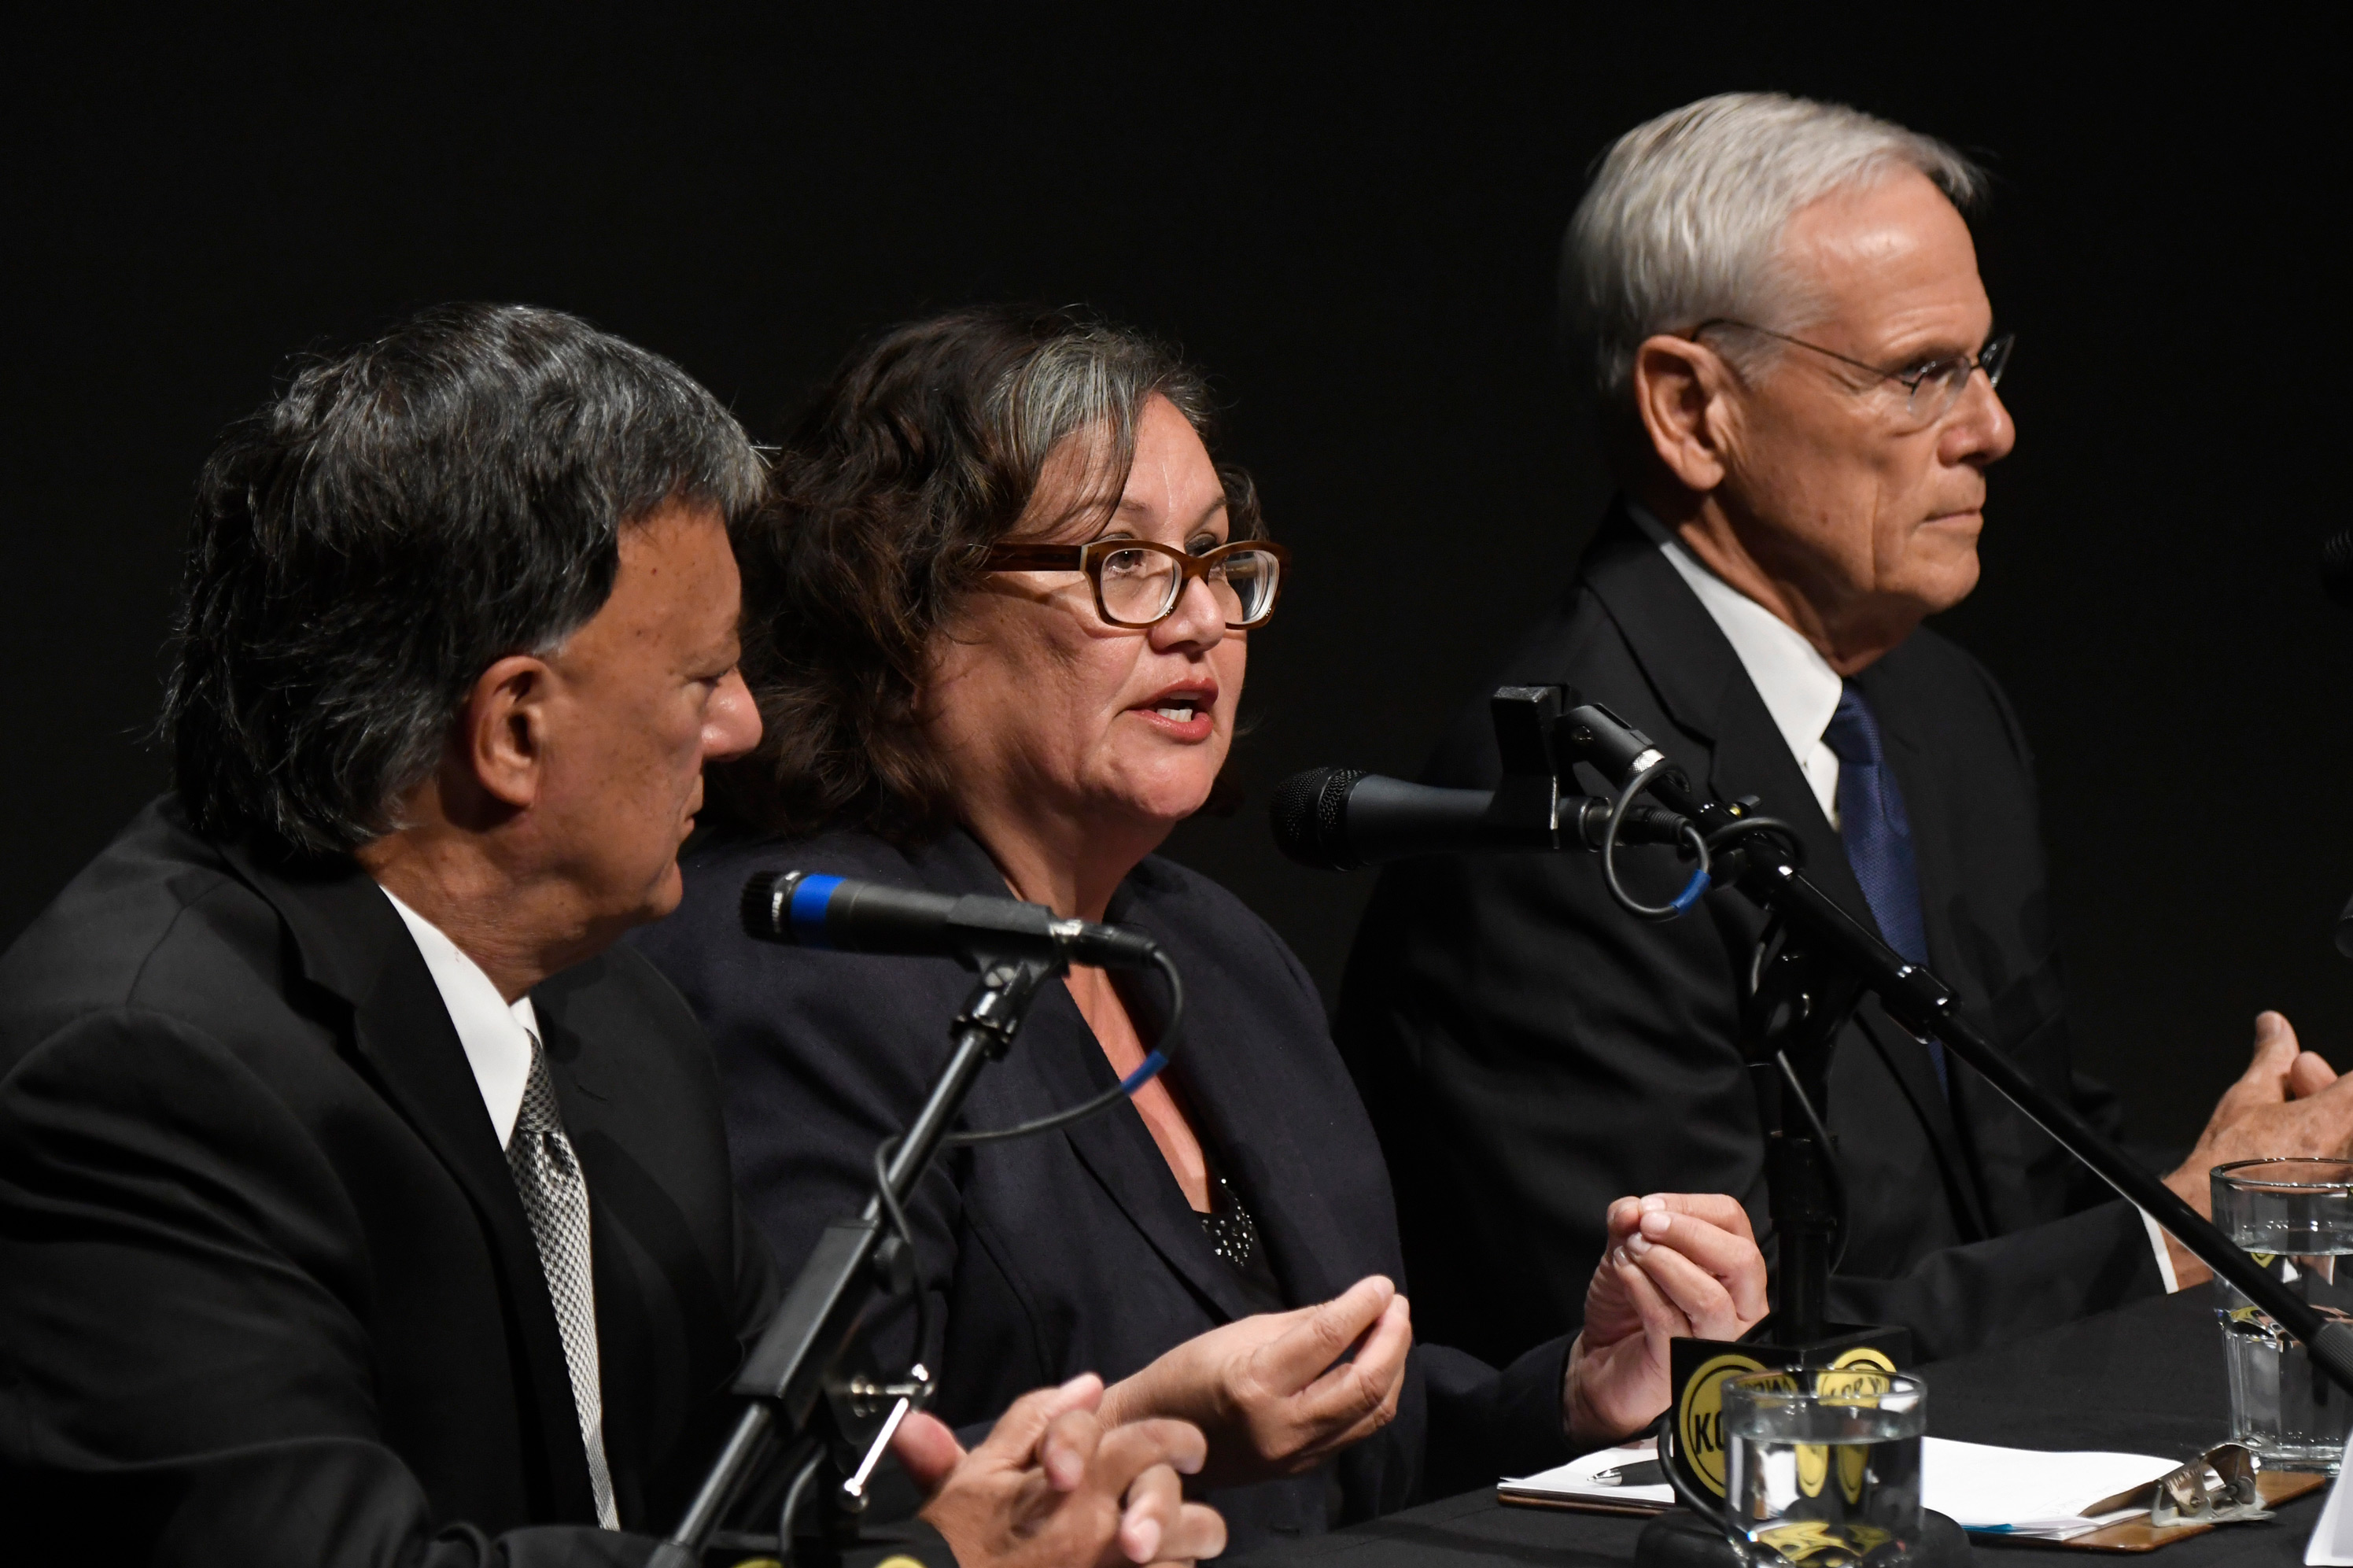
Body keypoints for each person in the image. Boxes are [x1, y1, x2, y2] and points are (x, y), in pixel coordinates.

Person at [0, 303, 1225, 1568]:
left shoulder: (620, 1025)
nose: (744, 726)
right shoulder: (144, 1078)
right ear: (514, 731)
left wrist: (1026, 1491)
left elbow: (778, 1501)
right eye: (703, 680)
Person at [629, 306, 1770, 1556]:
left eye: (1219, 560)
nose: (1200, 621)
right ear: (905, 609)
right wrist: (1145, 1428)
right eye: (1123, 560)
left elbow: (1335, 1450)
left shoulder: (1211, 952)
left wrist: (1567, 1396)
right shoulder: (802, 962)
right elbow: (815, 1503)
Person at [1335, 92, 2353, 1371]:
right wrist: (2177, 1234)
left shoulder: (1942, 711)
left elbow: (2019, 1177)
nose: (1991, 429)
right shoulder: (1561, 810)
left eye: (1985, 364)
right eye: (1921, 374)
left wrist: (2255, 1176)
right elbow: (1709, 1356)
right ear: (1692, 409)